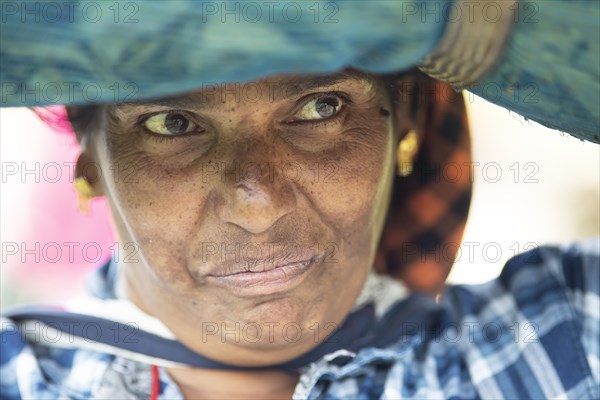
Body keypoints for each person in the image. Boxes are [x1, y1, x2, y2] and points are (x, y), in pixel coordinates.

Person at [1, 1, 598, 399]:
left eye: (321, 107)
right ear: (90, 162)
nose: (257, 203)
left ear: (407, 122)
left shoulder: (553, 345)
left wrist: (461, 23)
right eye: (173, 123)